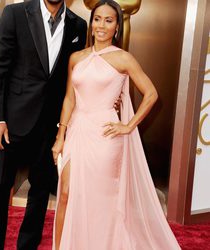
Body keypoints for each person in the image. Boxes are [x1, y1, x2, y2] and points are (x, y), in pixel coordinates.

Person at [51, 0, 181, 249]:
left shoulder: (124, 59)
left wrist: (128, 125)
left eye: (108, 20)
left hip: (106, 135)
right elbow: (69, 98)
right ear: (91, 23)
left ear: (117, 27)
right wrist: (60, 136)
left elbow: (151, 93)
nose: (101, 25)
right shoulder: (76, 57)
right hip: (77, 131)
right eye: (97, 19)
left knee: (101, 199)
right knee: (66, 194)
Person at [0, 0, 87, 249]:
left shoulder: (78, 25)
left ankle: (27, 245)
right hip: (13, 120)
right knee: (0, 186)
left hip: (50, 124)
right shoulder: (15, 14)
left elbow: (73, 79)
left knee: (40, 191)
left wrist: (65, 126)